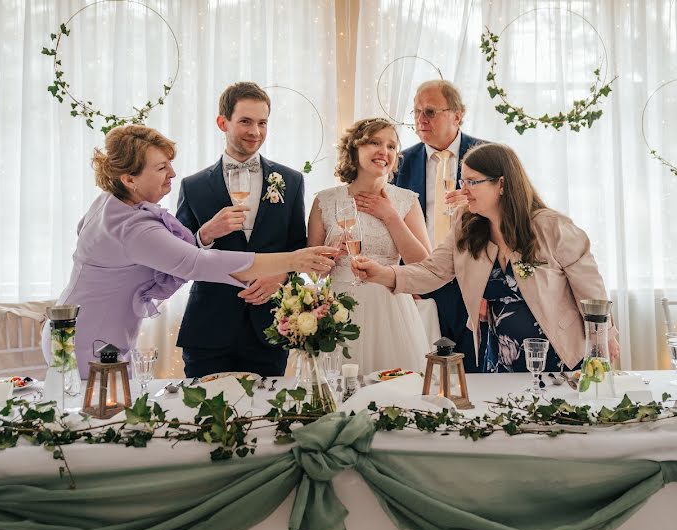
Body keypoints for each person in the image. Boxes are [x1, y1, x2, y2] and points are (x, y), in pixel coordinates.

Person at [43, 125, 335, 379]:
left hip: (78, 328)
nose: (172, 173)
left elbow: (166, 255)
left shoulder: (111, 202)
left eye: (169, 164)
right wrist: (294, 259)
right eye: (160, 168)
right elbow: (198, 262)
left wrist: (204, 235)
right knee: (97, 422)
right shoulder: (132, 227)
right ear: (128, 179)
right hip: (88, 338)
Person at [353, 142, 619, 373]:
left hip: (562, 356)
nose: (463, 189)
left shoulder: (552, 228)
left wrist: (603, 342)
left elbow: (591, 294)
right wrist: (383, 274)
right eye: (463, 181)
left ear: (501, 184)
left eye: (472, 182)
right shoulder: (466, 225)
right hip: (501, 359)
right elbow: (433, 272)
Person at [175, 82, 308, 377]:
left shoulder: (291, 180)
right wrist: (206, 234)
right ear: (223, 122)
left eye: (262, 123)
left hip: (271, 328)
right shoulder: (193, 186)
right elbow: (177, 257)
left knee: (267, 421)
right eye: (245, 121)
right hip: (208, 329)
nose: (255, 132)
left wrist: (282, 275)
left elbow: (299, 247)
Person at [307, 117, 432, 375]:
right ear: (354, 149)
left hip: (390, 309)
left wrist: (390, 216)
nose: (383, 152)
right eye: (374, 142)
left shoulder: (405, 201)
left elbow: (423, 266)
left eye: (391, 146)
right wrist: (332, 252)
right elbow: (311, 273)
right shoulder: (325, 201)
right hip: (338, 308)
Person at [392, 80, 486, 373]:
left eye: (430, 111)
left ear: (456, 115)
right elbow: (389, 225)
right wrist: (406, 280)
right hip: (425, 281)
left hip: (476, 277)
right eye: (416, 112)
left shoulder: (487, 155)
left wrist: (476, 203)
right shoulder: (400, 162)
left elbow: (511, 216)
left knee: (476, 369)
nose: (421, 119)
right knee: (428, 371)